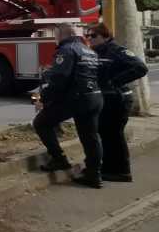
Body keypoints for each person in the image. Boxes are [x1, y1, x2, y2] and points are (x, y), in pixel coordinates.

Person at [33, 23, 103, 188]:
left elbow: (59, 79)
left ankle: (59, 160)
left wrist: (43, 98)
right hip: (95, 97)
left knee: (41, 123)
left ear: (62, 35)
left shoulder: (66, 50)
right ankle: (94, 174)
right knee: (91, 137)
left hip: (77, 99)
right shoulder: (88, 50)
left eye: (56, 35)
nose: (55, 38)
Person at [86, 22, 148, 182]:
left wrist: (115, 81)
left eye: (93, 35)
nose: (89, 38)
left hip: (118, 100)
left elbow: (140, 68)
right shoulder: (96, 52)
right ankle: (109, 169)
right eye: (87, 35)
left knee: (114, 135)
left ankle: (122, 172)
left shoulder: (116, 50)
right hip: (107, 100)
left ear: (106, 36)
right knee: (106, 135)